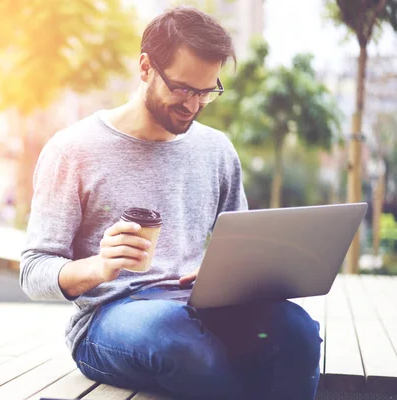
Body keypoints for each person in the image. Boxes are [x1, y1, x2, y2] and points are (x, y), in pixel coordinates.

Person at [20, 6, 322, 400]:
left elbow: (244, 248)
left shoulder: (215, 150)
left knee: (298, 331)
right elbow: (34, 271)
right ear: (145, 67)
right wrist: (99, 266)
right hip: (110, 320)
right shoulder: (73, 150)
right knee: (177, 339)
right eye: (182, 88)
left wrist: (224, 276)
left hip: (199, 309)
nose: (193, 105)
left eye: (206, 92)